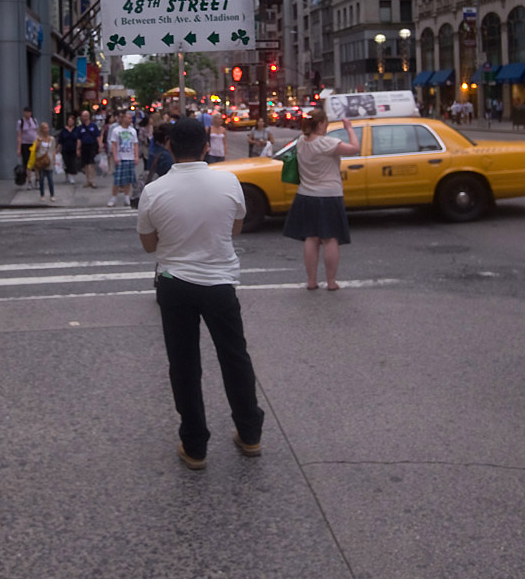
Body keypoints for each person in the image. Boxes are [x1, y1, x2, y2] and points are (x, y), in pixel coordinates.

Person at [137, 117, 264, 470]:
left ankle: (195, 445)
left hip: (174, 283)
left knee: (184, 364)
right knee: (234, 357)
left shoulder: (154, 191)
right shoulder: (229, 181)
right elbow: (235, 229)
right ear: (207, 146)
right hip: (220, 283)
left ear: (169, 146)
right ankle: (250, 433)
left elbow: (149, 245)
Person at [283, 107, 360, 291]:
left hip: (306, 195)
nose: (327, 127)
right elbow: (355, 149)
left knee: (311, 238)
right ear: (320, 124)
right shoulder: (327, 143)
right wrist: (349, 128)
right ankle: (331, 281)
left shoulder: (301, 142)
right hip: (329, 196)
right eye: (326, 123)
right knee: (330, 239)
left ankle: (311, 280)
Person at [107, 109, 138, 207]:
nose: (130, 120)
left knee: (128, 180)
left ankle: (126, 197)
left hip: (130, 157)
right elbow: (114, 144)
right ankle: (113, 197)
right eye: (128, 118)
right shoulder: (116, 130)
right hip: (120, 157)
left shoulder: (133, 131)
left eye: (131, 118)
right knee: (117, 179)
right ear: (123, 119)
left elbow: (135, 144)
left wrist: (136, 156)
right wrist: (115, 156)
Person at [28, 122, 56, 202]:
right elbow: (36, 150)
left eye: (47, 128)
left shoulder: (52, 139)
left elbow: (53, 150)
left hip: (49, 160)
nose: (46, 130)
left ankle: (52, 195)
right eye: (45, 128)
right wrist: (39, 142)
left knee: (50, 179)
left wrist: (54, 160)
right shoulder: (38, 139)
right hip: (41, 160)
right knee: (41, 178)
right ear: (42, 130)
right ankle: (42, 194)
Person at [76, 109, 102, 188]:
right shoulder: (80, 128)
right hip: (84, 146)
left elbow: (98, 137)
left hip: (92, 145)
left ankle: (92, 180)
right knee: (86, 165)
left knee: (91, 164)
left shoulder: (93, 126)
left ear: (88, 116)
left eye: (85, 116)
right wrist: (78, 149)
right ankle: (88, 180)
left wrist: (100, 146)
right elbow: (79, 139)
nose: (84, 118)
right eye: (83, 116)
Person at [16, 107, 38, 188]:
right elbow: (19, 136)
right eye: (26, 112)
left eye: (29, 112)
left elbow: (37, 132)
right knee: (27, 164)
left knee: (36, 163)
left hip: (34, 144)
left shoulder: (34, 121)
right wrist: (19, 148)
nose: (28, 114)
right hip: (25, 144)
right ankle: (29, 181)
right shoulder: (20, 122)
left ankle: (37, 180)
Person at [56, 113, 79, 184]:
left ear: (74, 121)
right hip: (65, 149)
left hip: (73, 149)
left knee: (72, 162)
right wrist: (57, 150)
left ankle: (71, 176)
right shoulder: (64, 130)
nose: (70, 122)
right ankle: (67, 175)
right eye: (69, 121)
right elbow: (60, 141)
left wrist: (78, 148)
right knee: (66, 162)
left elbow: (79, 139)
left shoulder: (76, 130)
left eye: (71, 121)